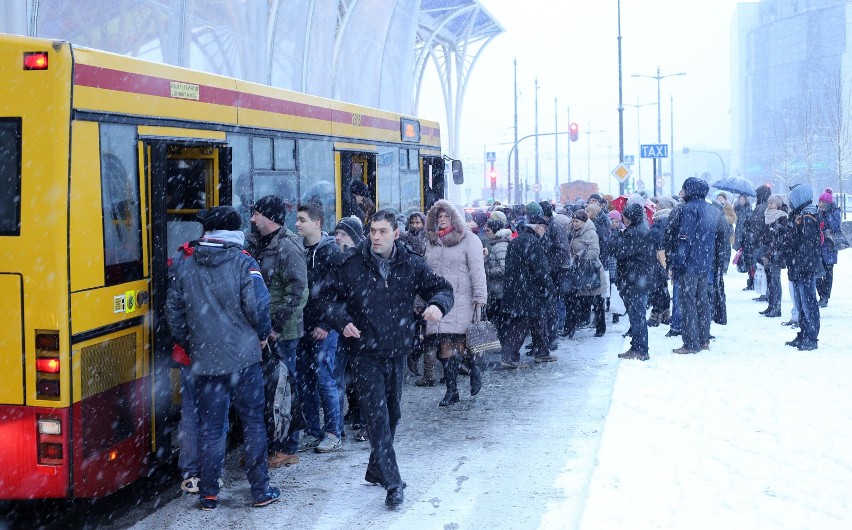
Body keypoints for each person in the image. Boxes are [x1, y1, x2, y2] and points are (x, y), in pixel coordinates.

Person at [327, 210, 454, 507]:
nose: (376, 237)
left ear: (396, 234)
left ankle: (375, 468)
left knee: (393, 413)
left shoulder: (410, 264)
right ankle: (393, 483)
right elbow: (326, 300)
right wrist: (341, 319)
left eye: (383, 231)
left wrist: (438, 305)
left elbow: (442, 289)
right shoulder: (351, 264)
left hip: (397, 350)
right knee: (377, 418)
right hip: (364, 352)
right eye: (373, 231)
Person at [166, 206, 280, 510]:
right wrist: (262, 335)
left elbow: (174, 312)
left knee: (211, 428)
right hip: (244, 360)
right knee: (253, 423)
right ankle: (260, 490)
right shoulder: (244, 262)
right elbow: (258, 307)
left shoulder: (187, 264)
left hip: (205, 362)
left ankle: (209, 494)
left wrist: (192, 345)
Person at [246, 195, 309, 468]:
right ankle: (270, 445)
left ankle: (287, 447)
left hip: (282, 333)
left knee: (284, 389)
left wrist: (276, 328)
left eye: (256, 214)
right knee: (267, 392)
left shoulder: (287, 246)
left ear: (270, 218)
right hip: (264, 330)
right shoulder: (258, 243)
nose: (252, 219)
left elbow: (299, 291)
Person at [422, 200, 488, 405]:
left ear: (455, 218)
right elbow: (424, 273)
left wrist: (480, 298)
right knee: (444, 345)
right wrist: (421, 299)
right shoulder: (432, 242)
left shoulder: (470, 240)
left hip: (463, 299)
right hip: (440, 301)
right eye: (439, 216)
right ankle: (452, 390)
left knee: (462, 343)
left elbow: (477, 271)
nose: (442, 220)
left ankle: (474, 367)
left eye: (446, 216)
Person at [295, 201, 343, 453]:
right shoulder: (300, 250)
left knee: (325, 378)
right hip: (303, 326)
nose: (297, 224)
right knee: (305, 380)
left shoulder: (330, 252)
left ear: (317, 223)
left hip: (324, 327)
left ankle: (333, 431)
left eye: (302, 220)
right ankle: (313, 430)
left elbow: (338, 292)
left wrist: (326, 323)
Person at [499, 211, 556, 366]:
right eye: (544, 228)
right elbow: (541, 270)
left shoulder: (515, 241)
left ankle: (542, 352)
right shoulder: (534, 243)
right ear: (538, 228)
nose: (545, 232)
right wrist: (549, 288)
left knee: (536, 321)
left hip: (516, 289)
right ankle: (509, 356)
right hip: (529, 291)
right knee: (522, 323)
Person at [669, 177, 718, 354]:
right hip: (705, 262)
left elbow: (684, 238)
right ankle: (704, 338)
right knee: (702, 301)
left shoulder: (688, 209)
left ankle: (690, 343)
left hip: (689, 262)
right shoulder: (712, 209)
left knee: (687, 302)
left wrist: (678, 263)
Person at [610, 203, 656, 361]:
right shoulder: (639, 229)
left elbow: (617, 251)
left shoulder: (635, 233)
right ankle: (637, 346)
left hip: (635, 280)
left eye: (624, 216)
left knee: (637, 316)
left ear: (629, 218)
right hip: (637, 279)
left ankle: (641, 349)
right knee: (636, 315)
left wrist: (616, 235)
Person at [784, 184, 823, 351]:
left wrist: (795, 261)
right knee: (802, 303)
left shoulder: (808, 218)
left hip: (804, 268)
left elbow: (804, 247)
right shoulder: (803, 216)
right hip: (801, 267)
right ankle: (804, 333)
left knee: (808, 303)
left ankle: (811, 337)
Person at [565, 210, 607, 338]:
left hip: (591, 272)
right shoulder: (574, 233)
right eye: (573, 221)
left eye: (577, 221)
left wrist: (579, 255)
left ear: (583, 222)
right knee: (574, 300)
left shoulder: (590, 233)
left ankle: (600, 328)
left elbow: (595, 252)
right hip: (579, 272)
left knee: (597, 302)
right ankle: (570, 327)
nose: (574, 224)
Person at [756, 195, 788, 318]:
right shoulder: (767, 215)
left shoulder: (781, 216)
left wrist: (769, 254)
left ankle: (776, 307)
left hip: (776, 255)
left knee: (775, 281)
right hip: (767, 253)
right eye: (769, 203)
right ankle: (771, 305)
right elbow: (765, 236)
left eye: (772, 203)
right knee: (769, 280)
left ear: (778, 205)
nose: (769, 205)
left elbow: (778, 240)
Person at [745, 185, 772, 301]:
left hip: (760, 243)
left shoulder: (760, 208)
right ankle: (769, 293)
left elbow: (755, 228)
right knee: (768, 271)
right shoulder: (770, 206)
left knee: (762, 269)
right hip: (769, 243)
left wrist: (751, 242)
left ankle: (765, 292)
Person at [816, 188, 841, 307]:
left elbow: (835, 227)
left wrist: (826, 216)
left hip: (829, 247)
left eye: (822, 202)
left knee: (828, 273)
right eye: (819, 201)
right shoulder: (817, 211)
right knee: (817, 273)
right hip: (818, 247)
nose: (820, 204)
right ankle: (821, 295)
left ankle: (825, 297)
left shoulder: (835, 211)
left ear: (828, 203)